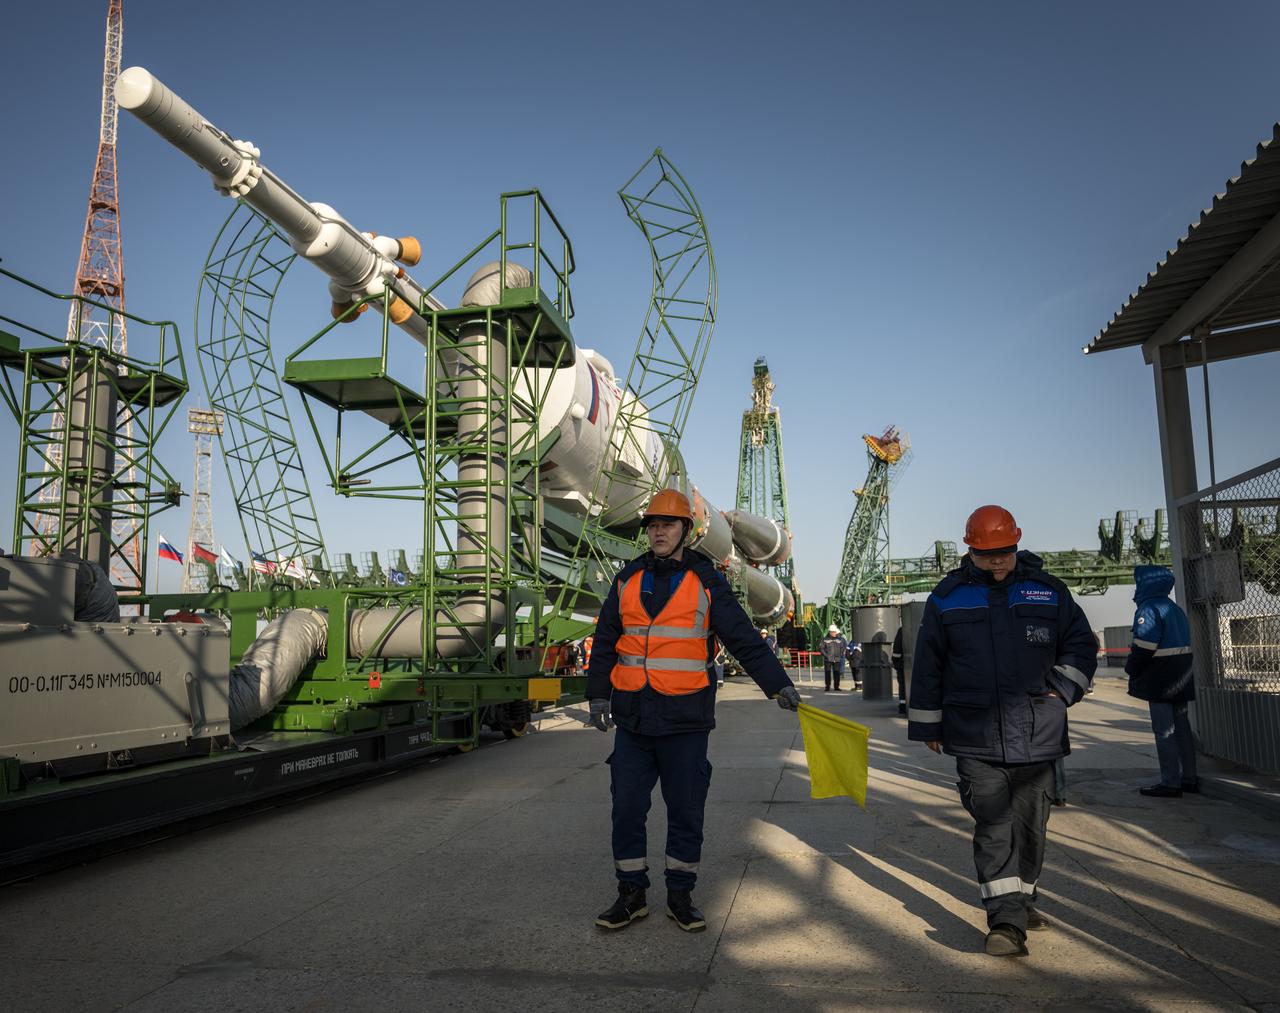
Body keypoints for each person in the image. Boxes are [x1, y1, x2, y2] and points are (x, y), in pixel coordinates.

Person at [585, 488, 801, 933]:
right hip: (634, 719)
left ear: (686, 530)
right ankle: (631, 893)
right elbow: (606, 641)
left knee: (685, 812)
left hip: (685, 720)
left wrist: (777, 683)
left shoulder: (706, 580)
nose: (659, 532)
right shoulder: (627, 578)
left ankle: (681, 895)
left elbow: (743, 635)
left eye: (668, 524)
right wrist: (597, 695)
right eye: (653, 526)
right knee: (626, 808)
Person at [908, 505, 1097, 957]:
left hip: (1039, 731)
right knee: (993, 826)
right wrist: (929, 724)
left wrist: (1062, 689)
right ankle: (1005, 923)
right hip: (974, 734)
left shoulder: (1049, 593)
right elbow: (928, 664)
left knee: (1033, 826)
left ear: (1017, 544)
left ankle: (1024, 897)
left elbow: (1081, 645)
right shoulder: (947, 598)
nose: (998, 561)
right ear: (970, 550)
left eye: (1005, 553)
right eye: (987, 554)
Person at [1125, 564, 1197, 797]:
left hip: (1161, 678)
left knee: (1164, 730)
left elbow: (1145, 647)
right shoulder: (1174, 609)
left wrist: (1131, 668)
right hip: (1182, 676)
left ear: (1146, 584)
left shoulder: (1148, 609)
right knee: (1183, 728)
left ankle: (1170, 782)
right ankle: (1189, 778)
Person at [819, 624, 849, 691]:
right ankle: (827, 686)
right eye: (833, 632)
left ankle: (836, 686)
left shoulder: (840, 639)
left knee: (837, 673)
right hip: (828, 660)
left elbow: (843, 647)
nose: (835, 633)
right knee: (827, 673)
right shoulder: (824, 639)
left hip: (837, 659)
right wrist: (826, 656)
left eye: (835, 632)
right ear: (830, 632)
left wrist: (840, 654)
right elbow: (821, 649)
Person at [891, 626, 905, 715]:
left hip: (902, 664)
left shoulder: (902, 630)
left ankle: (903, 707)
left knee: (903, 686)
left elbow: (897, 650)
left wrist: (895, 662)